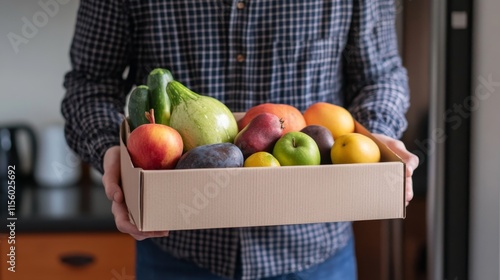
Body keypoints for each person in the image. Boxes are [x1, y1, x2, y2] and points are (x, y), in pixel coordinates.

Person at [61, 1, 419, 279]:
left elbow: (380, 78)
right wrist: (111, 150)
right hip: (175, 246)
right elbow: (91, 84)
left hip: (313, 252)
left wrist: (377, 137)